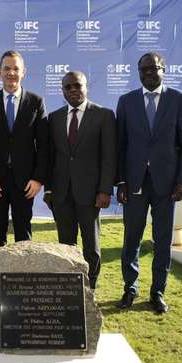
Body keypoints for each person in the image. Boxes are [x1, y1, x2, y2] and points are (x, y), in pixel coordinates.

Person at [116, 52, 182, 313]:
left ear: (163, 69)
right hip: (135, 183)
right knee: (132, 239)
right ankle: (130, 288)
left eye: (153, 68)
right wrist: (122, 181)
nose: (148, 73)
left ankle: (157, 292)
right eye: (143, 69)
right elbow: (121, 146)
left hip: (167, 185)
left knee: (162, 241)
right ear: (138, 72)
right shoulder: (126, 102)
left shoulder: (178, 99)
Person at [43, 71, 116, 290]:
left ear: (86, 87)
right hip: (61, 193)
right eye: (68, 87)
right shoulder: (54, 118)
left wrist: (105, 190)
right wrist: (49, 190)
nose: (73, 90)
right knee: (65, 243)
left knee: (91, 244)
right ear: (63, 91)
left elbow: (109, 156)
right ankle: (70, 285)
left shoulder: (104, 115)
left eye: (78, 85)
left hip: (91, 193)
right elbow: (50, 157)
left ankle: (90, 286)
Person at [0, 50, 49, 251]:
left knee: (23, 236)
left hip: (25, 182)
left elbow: (43, 145)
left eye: (15, 69)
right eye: (6, 69)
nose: (11, 73)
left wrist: (38, 179)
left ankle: (24, 278)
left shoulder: (36, 102)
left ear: (23, 72)